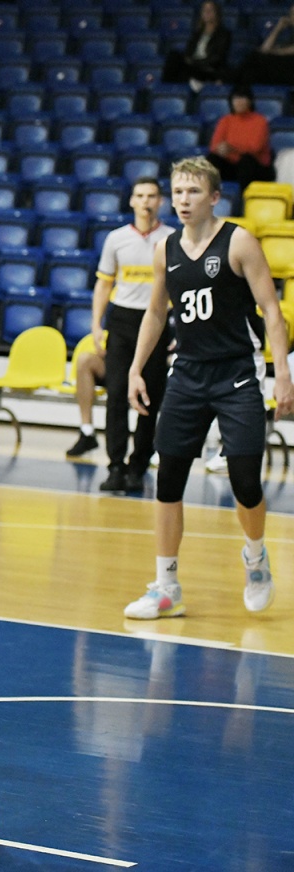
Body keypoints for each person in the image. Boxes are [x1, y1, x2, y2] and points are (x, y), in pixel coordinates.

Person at [125, 156, 294, 620]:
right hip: (188, 373)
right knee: (169, 478)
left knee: (245, 480)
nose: (183, 200)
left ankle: (255, 557)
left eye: (193, 191)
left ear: (215, 197)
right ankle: (166, 587)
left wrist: (282, 372)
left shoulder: (239, 242)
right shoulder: (166, 249)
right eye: (178, 191)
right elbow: (156, 312)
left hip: (237, 373)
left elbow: (272, 310)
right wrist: (136, 368)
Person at [68, 178, 176, 494]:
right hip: (123, 320)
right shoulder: (116, 239)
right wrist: (96, 324)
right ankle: (115, 466)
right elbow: (104, 283)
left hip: (157, 320)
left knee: (150, 396)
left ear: (160, 201)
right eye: (140, 195)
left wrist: (179, 328)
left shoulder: (171, 239)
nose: (145, 201)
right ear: (131, 201)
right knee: (116, 394)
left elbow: (181, 286)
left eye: (151, 196)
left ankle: (138, 466)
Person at [206, 84, 275, 193]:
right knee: (212, 159)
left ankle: (244, 198)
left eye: (242, 98)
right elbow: (214, 145)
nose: (238, 102)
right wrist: (220, 149)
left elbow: (255, 148)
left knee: (246, 161)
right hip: (232, 165)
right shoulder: (226, 120)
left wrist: (232, 147)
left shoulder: (260, 121)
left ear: (250, 101)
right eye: (235, 99)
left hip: (255, 167)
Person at [161, 1, 231, 90]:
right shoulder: (197, 33)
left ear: (216, 13)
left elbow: (217, 58)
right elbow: (188, 51)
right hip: (194, 66)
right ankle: (165, 87)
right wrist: (190, 60)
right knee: (174, 55)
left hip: (208, 68)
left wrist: (194, 62)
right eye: (204, 10)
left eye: (210, 10)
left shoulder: (223, 34)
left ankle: (195, 82)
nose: (207, 13)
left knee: (183, 72)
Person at [238, 3, 294, 86]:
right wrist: (278, 28)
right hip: (283, 68)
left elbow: (289, 50)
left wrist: (274, 51)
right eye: (292, 14)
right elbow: (265, 49)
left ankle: (235, 81)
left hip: (291, 70)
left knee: (256, 58)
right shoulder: (291, 34)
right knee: (255, 58)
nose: (293, 17)